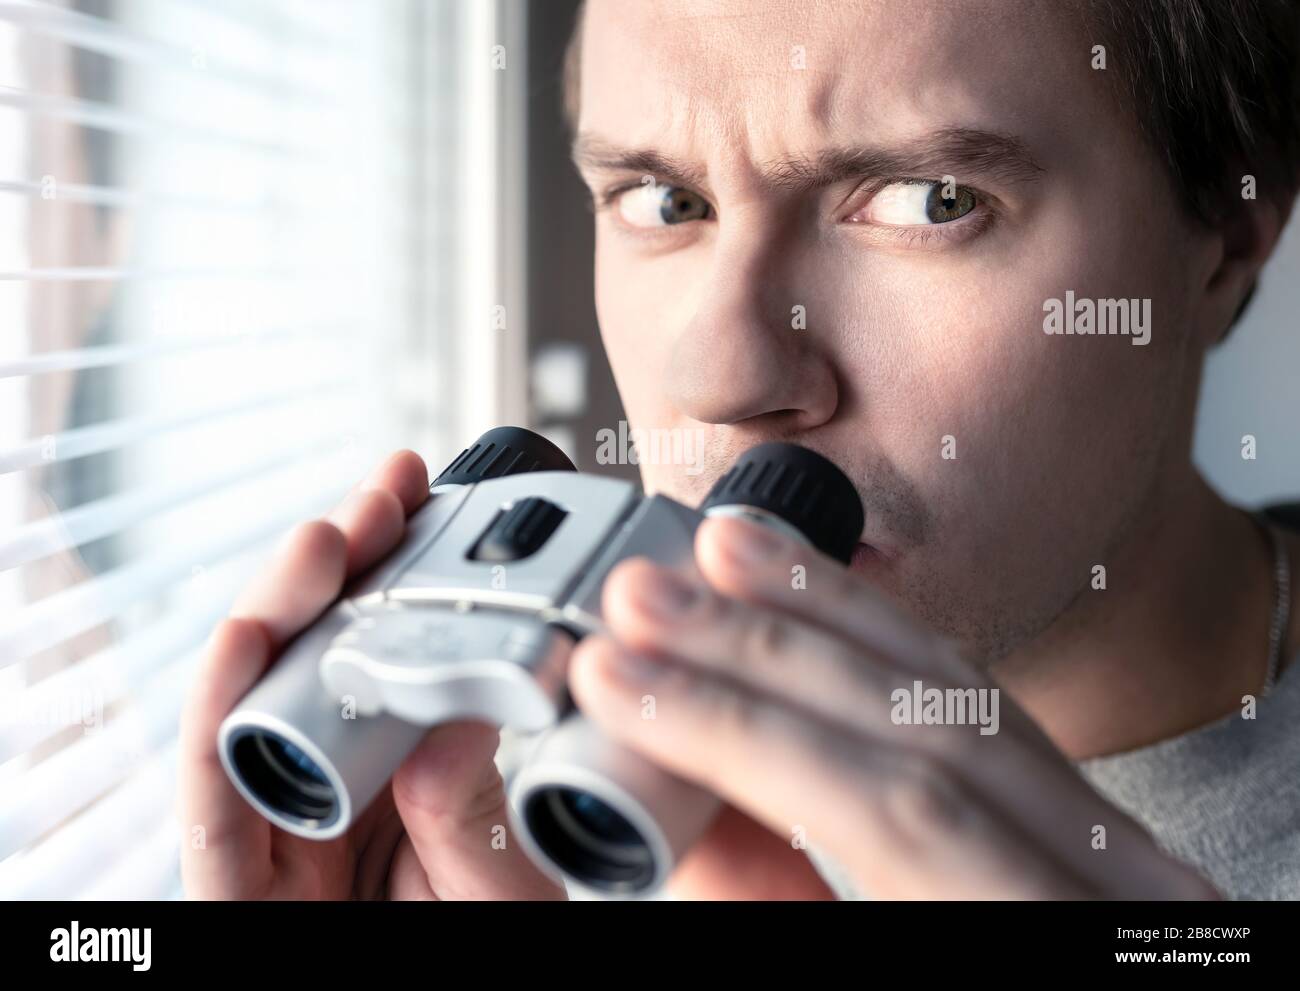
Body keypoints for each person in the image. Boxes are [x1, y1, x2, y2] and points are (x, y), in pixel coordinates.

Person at [180, 0, 1300, 900]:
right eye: (663, 199)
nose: (722, 377)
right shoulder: (488, 801)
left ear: (1228, 240)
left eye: (928, 198)